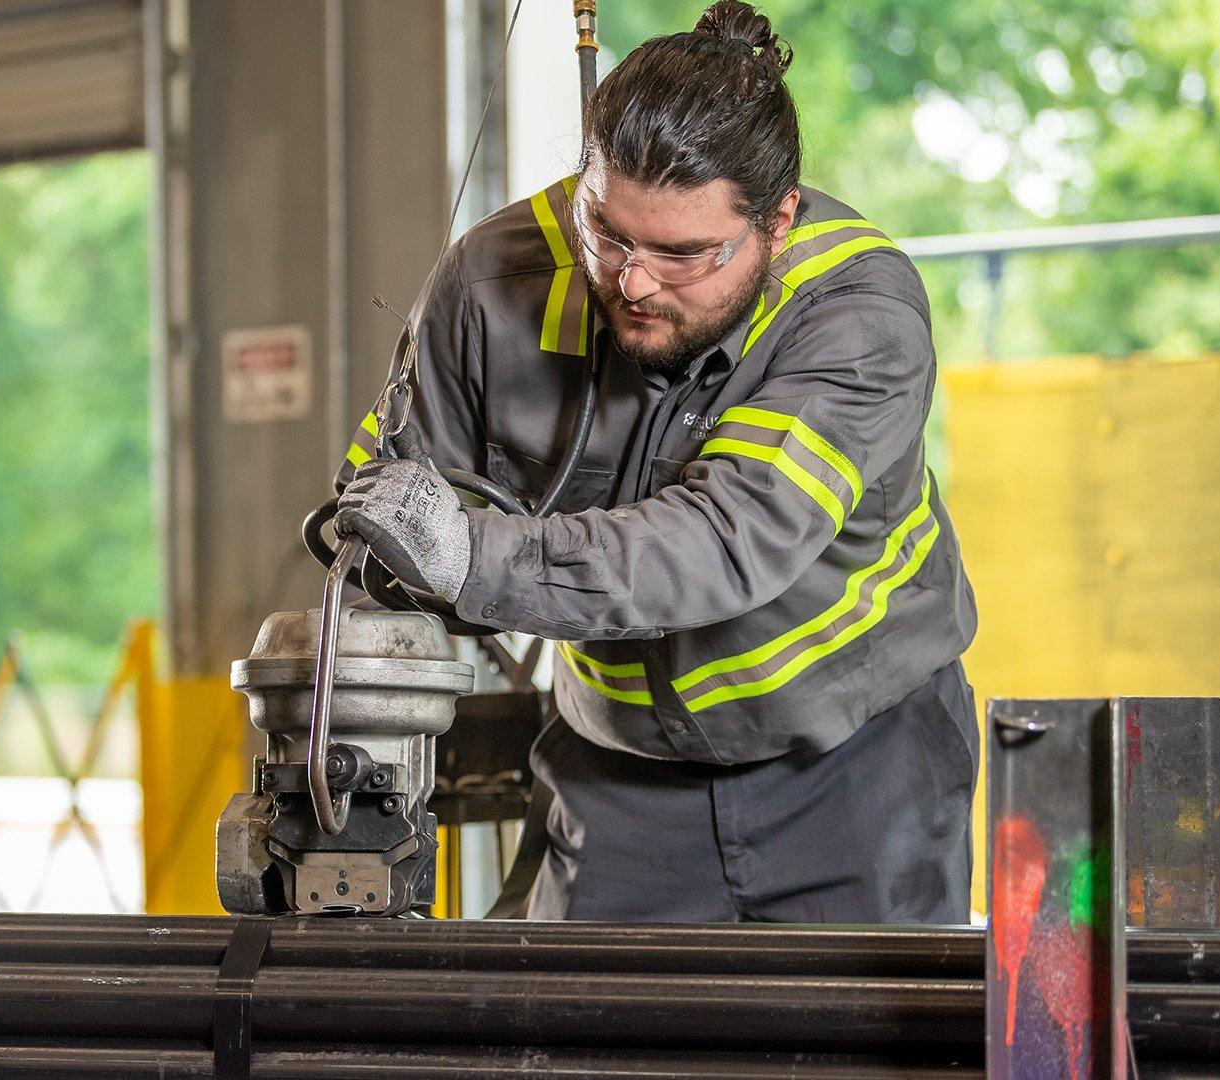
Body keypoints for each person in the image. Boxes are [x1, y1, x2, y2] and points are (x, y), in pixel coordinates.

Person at [332, 0, 979, 923]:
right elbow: (373, 527)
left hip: (858, 768)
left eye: (683, 255)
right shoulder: (493, 283)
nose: (634, 283)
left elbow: (721, 545)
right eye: (610, 234)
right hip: (614, 782)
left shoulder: (855, 311)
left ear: (779, 219)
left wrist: (475, 558)